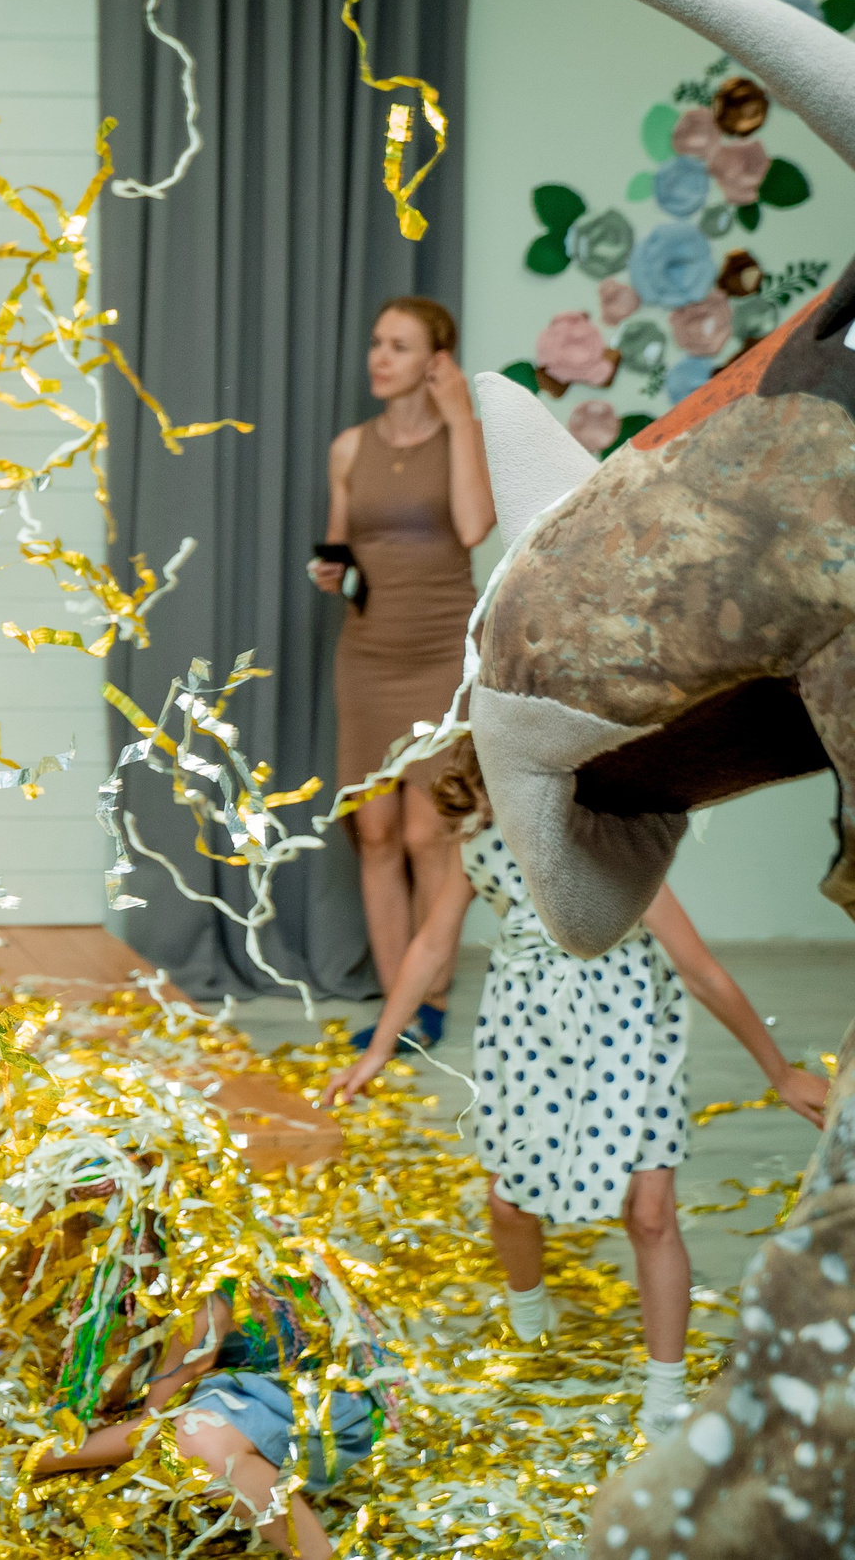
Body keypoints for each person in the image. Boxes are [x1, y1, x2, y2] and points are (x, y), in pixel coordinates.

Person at [324, 736, 828, 1437]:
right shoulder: (481, 836)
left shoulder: (609, 843)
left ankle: (665, 1391)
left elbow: (700, 968)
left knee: (651, 1211)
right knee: (508, 1204)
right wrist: (380, 1047)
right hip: (526, 1027)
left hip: (629, 1024)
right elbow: (432, 943)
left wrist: (778, 1070)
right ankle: (531, 1323)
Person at [307, 297, 494, 1048]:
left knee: (429, 832)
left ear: (435, 361)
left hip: (444, 654)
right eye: (376, 342)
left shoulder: (464, 436)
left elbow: (476, 525)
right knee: (376, 833)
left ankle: (434, 996)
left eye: (399, 345)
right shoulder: (349, 447)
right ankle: (398, 1010)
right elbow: (339, 546)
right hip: (367, 654)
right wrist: (333, 573)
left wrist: (457, 415)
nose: (379, 357)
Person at [30, 1246, 383, 1557]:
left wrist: (38, 1460)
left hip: (330, 1412)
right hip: (274, 1392)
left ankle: (313, 1553)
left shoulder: (207, 1306)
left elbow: (155, 1430)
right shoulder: (143, 1287)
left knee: (197, 1437)